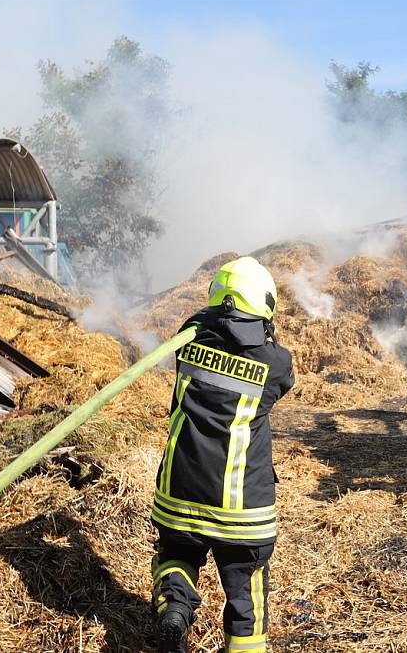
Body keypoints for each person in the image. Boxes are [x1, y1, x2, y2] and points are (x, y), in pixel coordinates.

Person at [151, 256, 294, 653]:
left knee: (177, 554)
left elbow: (199, 325)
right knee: (246, 595)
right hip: (242, 510)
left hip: (178, 494)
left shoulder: (188, 341)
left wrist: (211, 317)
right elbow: (284, 378)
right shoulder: (275, 362)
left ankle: (174, 609)